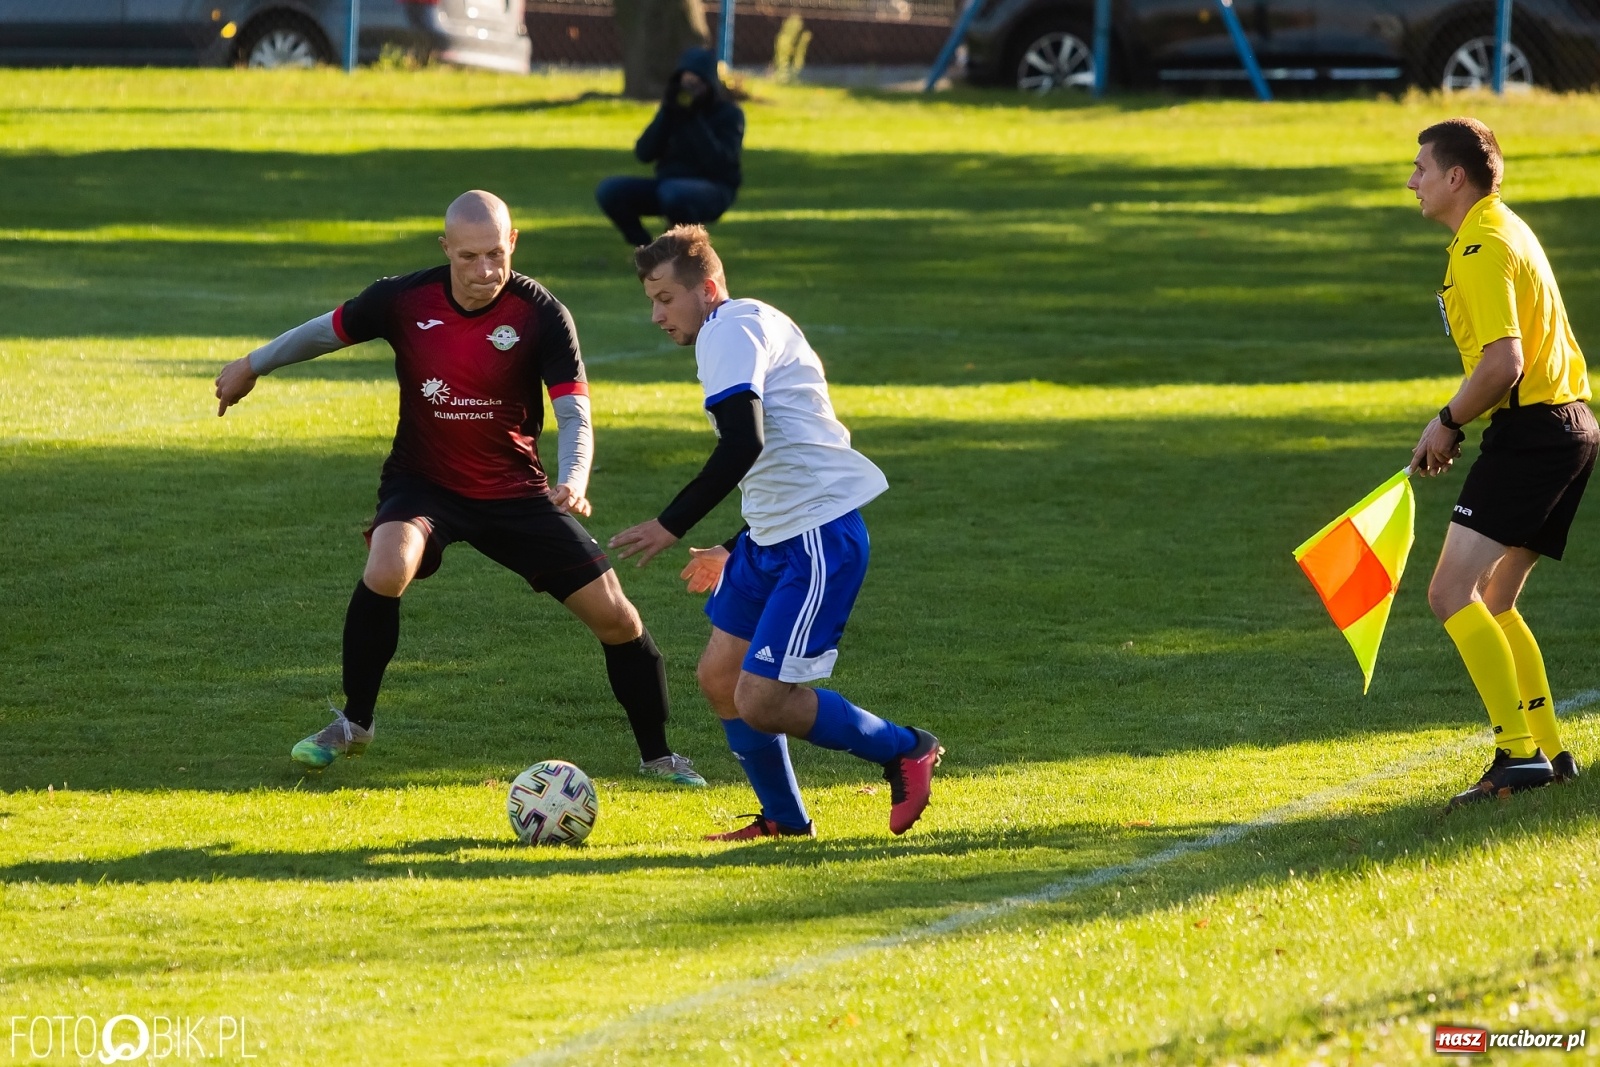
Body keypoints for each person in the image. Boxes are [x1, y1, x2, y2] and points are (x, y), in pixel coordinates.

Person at [212, 190, 705, 786]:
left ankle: (659, 756)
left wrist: (573, 479)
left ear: (513, 243)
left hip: (515, 492)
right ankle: (353, 723)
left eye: (496, 254)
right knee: (387, 565)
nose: (485, 271)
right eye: (469, 257)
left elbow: (574, 412)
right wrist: (250, 364)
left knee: (617, 620)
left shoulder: (541, 313)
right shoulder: (403, 298)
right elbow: (327, 330)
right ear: (445, 248)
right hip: (425, 484)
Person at [608, 224, 943, 840]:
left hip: (816, 539)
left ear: (706, 289)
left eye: (664, 298)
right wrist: (736, 545)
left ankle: (904, 749)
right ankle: (785, 822)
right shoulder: (735, 327)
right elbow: (780, 459)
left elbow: (746, 440)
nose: (656, 315)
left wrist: (669, 524)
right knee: (718, 679)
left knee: (762, 699)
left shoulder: (728, 329)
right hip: (773, 538)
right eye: (650, 301)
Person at [1405, 118, 1595, 811]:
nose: (1412, 181)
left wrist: (1447, 421)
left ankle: (1516, 755)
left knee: (1450, 593)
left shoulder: (1482, 245)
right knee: (1497, 599)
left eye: (1421, 168)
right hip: (1572, 425)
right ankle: (1546, 746)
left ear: (1456, 177)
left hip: (1536, 432)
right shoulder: (1501, 225)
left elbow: (1504, 363)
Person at [595, 47, 743, 248]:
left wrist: (693, 119)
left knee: (673, 193)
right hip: (667, 185)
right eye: (686, 82)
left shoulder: (729, 115)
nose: (690, 89)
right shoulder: (673, 111)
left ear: (709, 84)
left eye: (696, 83)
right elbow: (644, 153)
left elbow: (719, 162)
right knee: (610, 190)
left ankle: (682, 250)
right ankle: (646, 249)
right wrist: (667, 113)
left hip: (713, 187)